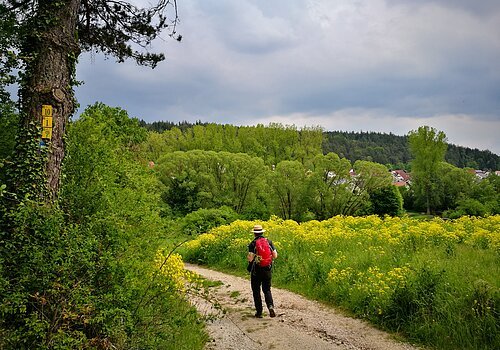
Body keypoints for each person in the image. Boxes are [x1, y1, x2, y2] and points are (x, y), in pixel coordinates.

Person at [247, 224, 278, 318]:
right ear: (262, 232)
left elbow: (250, 259)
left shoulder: (253, 243)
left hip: (256, 271)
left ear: (254, 234)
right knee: (267, 289)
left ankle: (259, 312)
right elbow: (275, 255)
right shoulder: (268, 241)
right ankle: (270, 306)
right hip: (267, 269)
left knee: (256, 291)